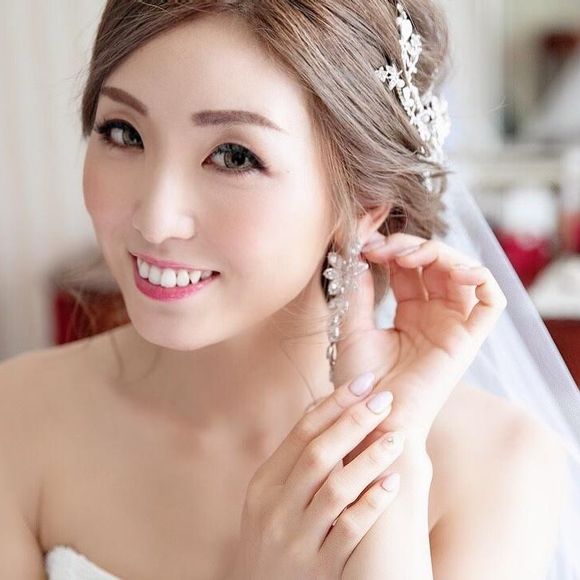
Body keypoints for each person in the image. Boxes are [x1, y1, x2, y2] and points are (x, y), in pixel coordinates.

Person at [0, 1, 576, 579]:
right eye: (123, 132)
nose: (155, 220)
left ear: (365, 206)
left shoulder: (500, 463)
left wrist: (382, 456)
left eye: (233, 156)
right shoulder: (17, 417)